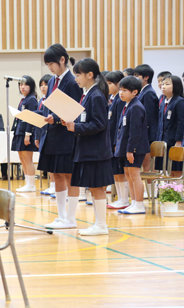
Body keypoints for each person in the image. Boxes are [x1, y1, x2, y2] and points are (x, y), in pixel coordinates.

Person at [63, 58, 113, 236]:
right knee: (93, 187)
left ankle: (101, 225)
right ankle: (99, 224)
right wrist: (72, 122)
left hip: (96, 151)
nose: (76, 78)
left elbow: (99, 124)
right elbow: (87, 119)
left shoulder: (96, 96)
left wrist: (76, 127)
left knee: (97, 187)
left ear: (89, 75)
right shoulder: (89, 94)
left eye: (78, 75)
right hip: (89, 149)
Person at [36, 43, 82, 229]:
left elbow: (75, 110)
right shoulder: (54, 81)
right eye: (47, 65)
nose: (50, 68)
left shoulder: (72, 81)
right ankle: (62, 216)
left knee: (69, 175)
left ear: (62, 60)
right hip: (52, 135)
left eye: (51, 64)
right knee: (56, 175)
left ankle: (71, 218)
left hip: (66, 136)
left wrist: (54, 118)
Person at [114, 77, 150, 214]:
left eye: (124, 90)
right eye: (120, 90)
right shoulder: (127, 105)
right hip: (126, 147)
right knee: (128, 175)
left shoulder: (136, 107)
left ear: (135, 92)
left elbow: (135, 132)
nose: (121, 93)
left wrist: (130, 150)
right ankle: (133, 202)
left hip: (135, 148)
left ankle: (139, 204)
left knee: (134, 175)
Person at [134, 64, 159, 198]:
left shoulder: (149, 93)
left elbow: (148, 117)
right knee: (145, 163)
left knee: (149, 164)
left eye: (137, 75)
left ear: (146, 77)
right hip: (145, 134)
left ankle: (152, 191)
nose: (135, 78)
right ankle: (149, 190)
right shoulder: (143, 91)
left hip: (150, 134)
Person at [105, 71, 130, 209]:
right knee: (115, 172)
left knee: (120, 172)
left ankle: (124, 199)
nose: (107, 86)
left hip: (117, 141)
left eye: (110, 83)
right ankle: (120, 198)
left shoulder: (120, 101)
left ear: (118, 84)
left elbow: (119, 124)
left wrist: (115, 142)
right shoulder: (113, 99)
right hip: (111, 140)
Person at [155, 75, 184, 177]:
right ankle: (168, 191)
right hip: (164, 142)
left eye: (167, 84)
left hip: (174, 142)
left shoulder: (179, 101)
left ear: (176, 86)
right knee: (166, 171)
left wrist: (178, 142)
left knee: (176, 171)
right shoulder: (163, 102)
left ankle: (177, 192)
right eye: (163, 84)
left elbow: (181, 123)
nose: (163, 86)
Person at [11, 76, 38, 192]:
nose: (22, 87)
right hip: (19, 131)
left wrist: (28, 134)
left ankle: (31, 184)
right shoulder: (23, 99)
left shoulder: (31, 99)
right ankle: (28, 183)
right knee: (22, 158)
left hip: (26, 132)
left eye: (25, 84)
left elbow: (31, 117)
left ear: (30, 86)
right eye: (20, 85)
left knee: (27, 158)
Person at [37, 74, 54, 195]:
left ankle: (54, 185)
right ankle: (52, 185)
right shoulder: (41, 100)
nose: (43, 87)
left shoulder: (52, 100)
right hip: (44, 132)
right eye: (41, 85)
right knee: (49, 163)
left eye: (46, 85)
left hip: (53, 133)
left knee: (54, 163)